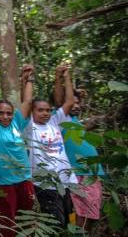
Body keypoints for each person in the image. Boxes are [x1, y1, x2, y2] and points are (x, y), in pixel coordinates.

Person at [0, 61, 35, 237]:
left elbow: (28, 100)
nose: (5, 116)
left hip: (24, 180)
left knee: (26, 223)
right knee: (6, 228)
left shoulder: (17, 123)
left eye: (8, 113)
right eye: (1, 112)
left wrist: (28, 78)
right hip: (1, 183)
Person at [25, 64, 77, 228]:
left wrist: (65, 76)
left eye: (47, 110)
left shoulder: (55, 122)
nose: (45, 113)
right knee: (56, 223)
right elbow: (26, 102)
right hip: (46, 184)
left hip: (67, 180)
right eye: (40, 110)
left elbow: (68, 101)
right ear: (33, 112)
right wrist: (28, 79)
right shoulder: (29, 127)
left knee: (71, 219)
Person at [54, 69, 105, 232]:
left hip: (92, 172)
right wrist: (63, 77)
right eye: (72, 103)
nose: (75, 105)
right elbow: (62, 98)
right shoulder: (61, 118)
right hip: (77, 173)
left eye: (77, 103)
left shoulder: (76, 121)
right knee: (78, 212)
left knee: (91, 212)